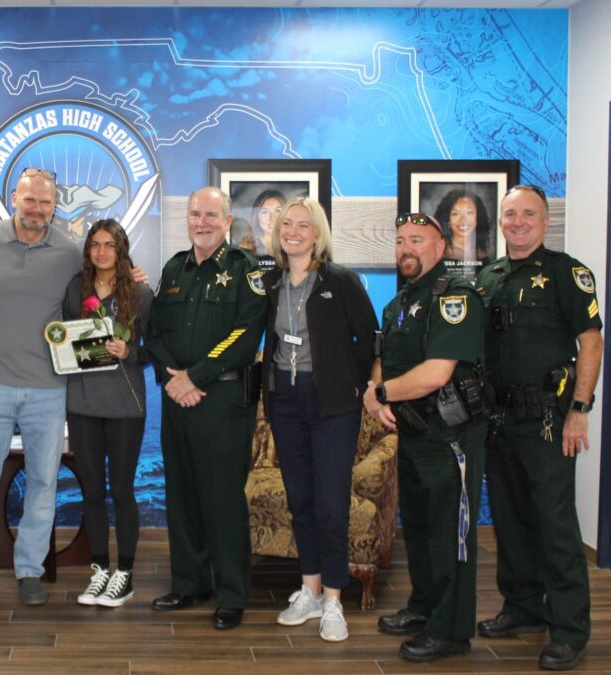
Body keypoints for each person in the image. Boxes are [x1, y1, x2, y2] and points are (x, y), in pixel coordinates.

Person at [474, 185, 602, 672]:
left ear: (546, 222)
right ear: (500, 222)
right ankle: (523, 608)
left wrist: (580, 409)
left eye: (529, 214)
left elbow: (591, 342)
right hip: (498, 419)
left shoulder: (566, 273)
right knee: (510, 521)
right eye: (510, 214)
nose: (519, 221)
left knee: (555, 527)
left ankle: (569, 630)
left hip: (549, 421)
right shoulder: (489, 276)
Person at [0, 168, 83, 614]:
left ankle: (30, 570)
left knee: (44, 483)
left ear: (55, 205)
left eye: (46, 203)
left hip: (48, 389)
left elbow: (101, 289)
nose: (37, 210)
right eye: (30, 200)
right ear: (13, 198)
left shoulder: (72, 251)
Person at [362, 212, 486, 663]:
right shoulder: (399, 303)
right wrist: (374, 397)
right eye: (399, 241)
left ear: (441, 248)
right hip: (413, 434)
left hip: (449, 435)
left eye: (417, 239)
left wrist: (380, 393)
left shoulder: (456, 297)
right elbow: (382, 360)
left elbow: (437, 373)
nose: (406, 248)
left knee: (449, 533)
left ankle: (451, 630)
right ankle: (425, 607)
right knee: (417, 528)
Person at [145, 186, 268, 630]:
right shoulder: (174, 268)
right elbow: (153, 332)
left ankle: (232, 594)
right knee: (182, 496)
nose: (202, 221)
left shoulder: (244, 269)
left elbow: (246, 334)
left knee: (221, 500)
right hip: (177, 399)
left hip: (222, 401)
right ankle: (189, 583)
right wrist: (172, 378)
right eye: (195, 213)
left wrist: (193, 378)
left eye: (211, 215)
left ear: (228, 220)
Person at [260, 197, 378, 641]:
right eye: (286, 224)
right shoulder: (270, 282)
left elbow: (368, 338)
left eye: (303, 225)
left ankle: (333, 599)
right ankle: (309, 589)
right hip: (285, 402)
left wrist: (357, 385)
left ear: (318, 233)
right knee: (301, 501)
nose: (293, 231)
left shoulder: (339, 280)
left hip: (332, 406)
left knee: (331, 504)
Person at [62, 218, 154, 609]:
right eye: (94, 245)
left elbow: (157, 349)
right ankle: (99, 569)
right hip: (82, 403)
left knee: (120, 490)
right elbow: (64, 338)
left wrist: (129, 352)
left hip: (124, 404)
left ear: (121, 249)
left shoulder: (141, 292)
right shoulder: (75, 288)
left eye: (109, 245)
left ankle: (125, 574)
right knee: (94, 492)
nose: (101, 252)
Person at [434, 189, 490, 277]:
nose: (463, 220)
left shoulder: (483, 252)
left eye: (469, 213)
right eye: (455, 214)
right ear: (447, 218)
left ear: (478, 216)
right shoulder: (439, 252)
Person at [250, 188, 285, 258]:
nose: (272, 218)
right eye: (265, 212)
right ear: (256, 217)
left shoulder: (293, 246)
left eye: (278, 211)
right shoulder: (247, 248)